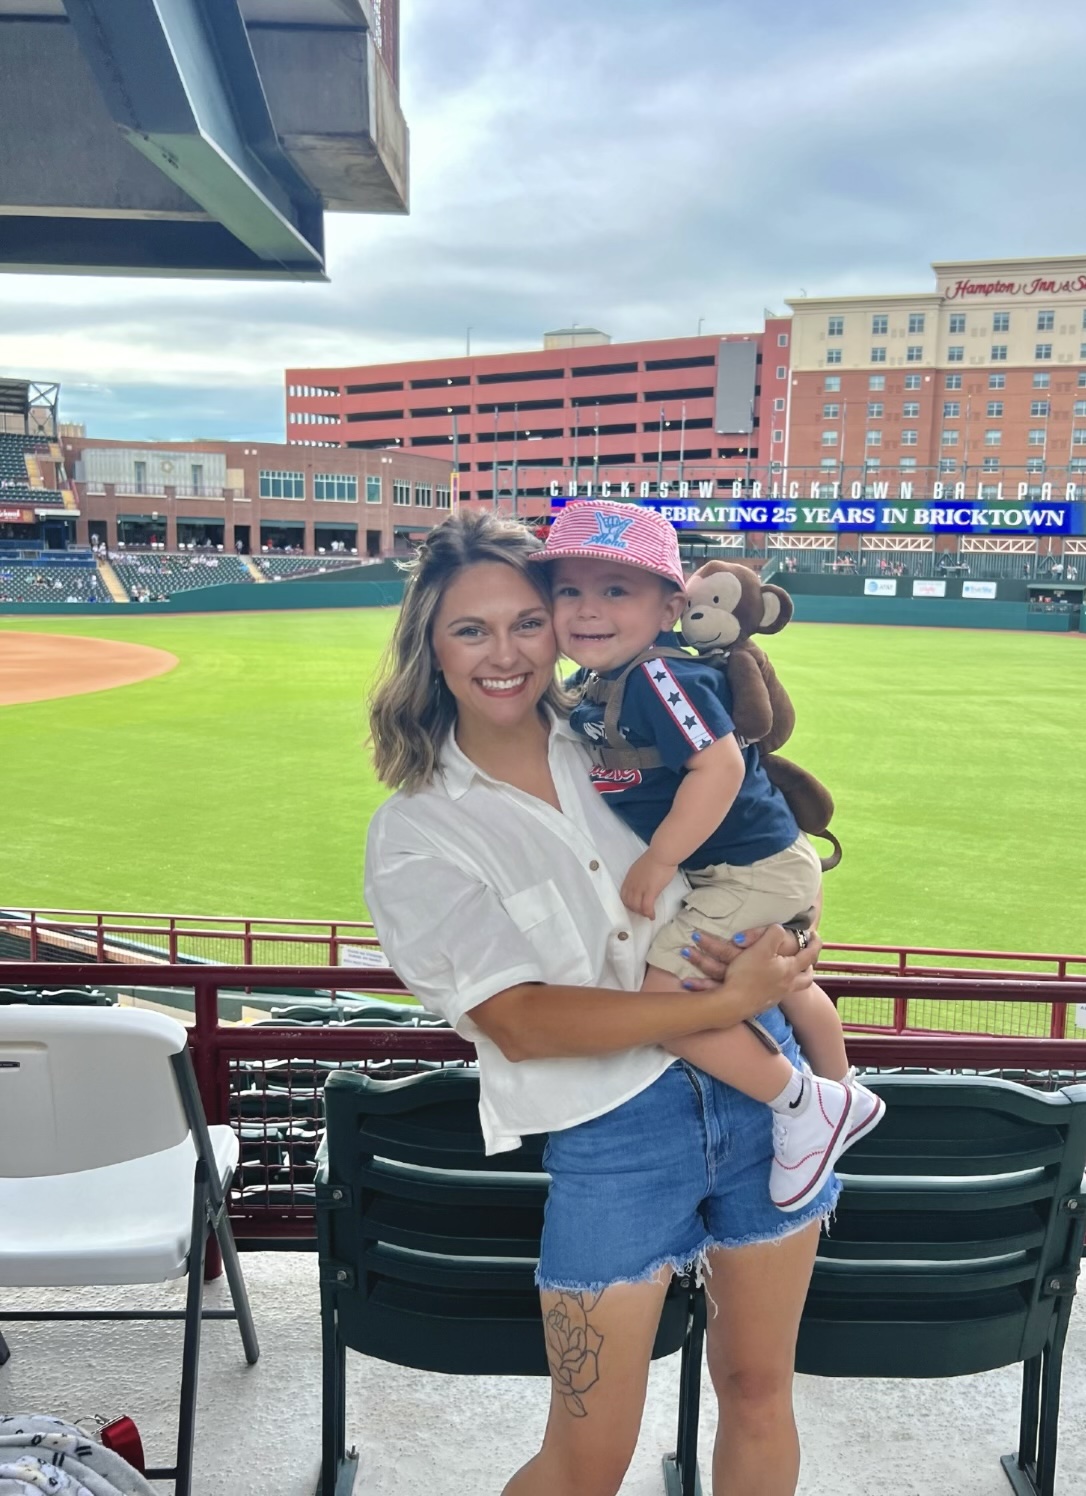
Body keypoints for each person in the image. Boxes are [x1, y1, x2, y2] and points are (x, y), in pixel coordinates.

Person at [365, 511, 835, 1495]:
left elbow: (743, 853)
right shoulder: (416, 831)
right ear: (430, 647)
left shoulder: (617, 736)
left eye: (526, 622)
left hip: (763, 1096)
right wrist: (738, 991)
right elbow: (521, 1022)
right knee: (588, 1457)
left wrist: (784, 951)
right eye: (470, 629)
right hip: (611, 1131)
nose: (505, 653)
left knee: (759, 1391)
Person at [535, 501, 882, 1213]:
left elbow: (718, 769)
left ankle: (806, 1106)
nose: (589, 609)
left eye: (616, 591)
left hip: (748, 869)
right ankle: (845, 1096)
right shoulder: (602, 684)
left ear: (670, 609)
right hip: (766, 863)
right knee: (791, 986)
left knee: (662, 1006)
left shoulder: (665, 680)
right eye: (570, 590)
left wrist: (660, 860)